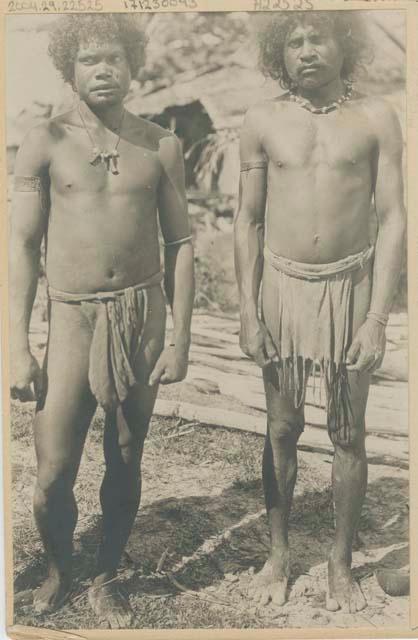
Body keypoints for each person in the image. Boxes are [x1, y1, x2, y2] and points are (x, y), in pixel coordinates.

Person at [9, 14, 194, 628]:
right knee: (53, 471)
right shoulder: (45, 141)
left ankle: (106, 575)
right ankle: (61, 567)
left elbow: (182, 243)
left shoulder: (160, 143)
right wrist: (16, 345)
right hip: (71, 318)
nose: (104, 69)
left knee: (126, 453)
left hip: (140, 317)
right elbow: (20, 248)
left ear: (133, 63)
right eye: (89, 59)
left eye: (114, 57)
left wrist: (180, 339)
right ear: (70, 67)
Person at [234, 11, 405, 613]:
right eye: (293, 42)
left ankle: (340, 560)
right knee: (282, 427)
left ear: (344, 44)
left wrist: (377, 317)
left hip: (352, 286)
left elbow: (394, 221)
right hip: (282, 289)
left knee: (348, 432)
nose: (306, 51)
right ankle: (278, 553)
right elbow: (248, 220)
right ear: (278, 55)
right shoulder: (261, 120)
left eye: (318, 38)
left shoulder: (377, 118)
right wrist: (250, 313)